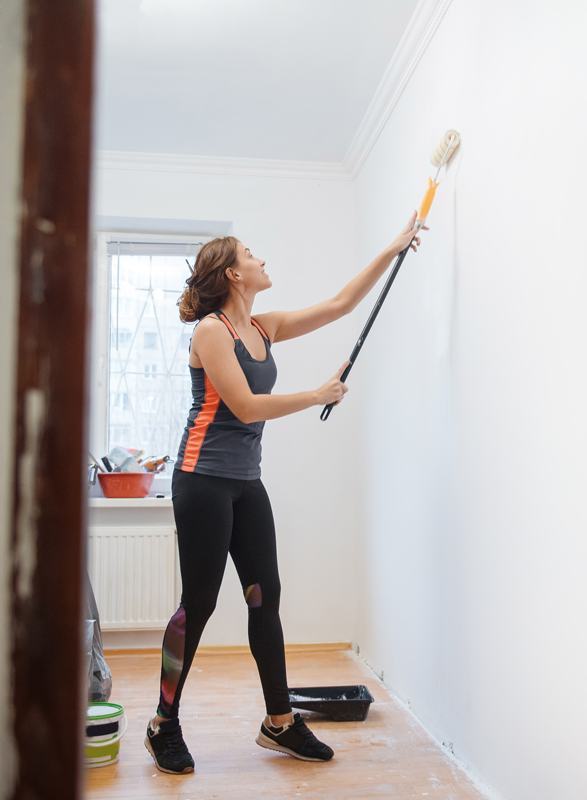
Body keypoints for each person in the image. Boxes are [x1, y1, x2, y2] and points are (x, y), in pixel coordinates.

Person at [145, 214, 426, 774]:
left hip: (246, 483)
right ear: (232, 273)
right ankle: (162, 725)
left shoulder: (263, 328)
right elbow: (246, 406)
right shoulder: (210, 331)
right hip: (201, 481)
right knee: (197, 604)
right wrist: (316, 392)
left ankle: (279, 722)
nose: (262, 261)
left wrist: (392, 247)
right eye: (253, 255)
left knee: (263, 595)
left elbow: (343, 304)